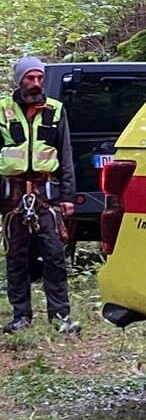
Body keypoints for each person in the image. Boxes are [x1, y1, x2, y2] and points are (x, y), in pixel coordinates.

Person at [2, 56, 79, 334]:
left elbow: (66, 155)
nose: (35, 84)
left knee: (54, 256)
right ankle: (20, 316)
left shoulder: (56, 110)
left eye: (39, 78)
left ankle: (60, 316)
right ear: (19, 80)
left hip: (47, 197)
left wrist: (68, 196)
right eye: (29, 78)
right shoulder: (2, 110)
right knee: (16, 259)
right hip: (12, 198)